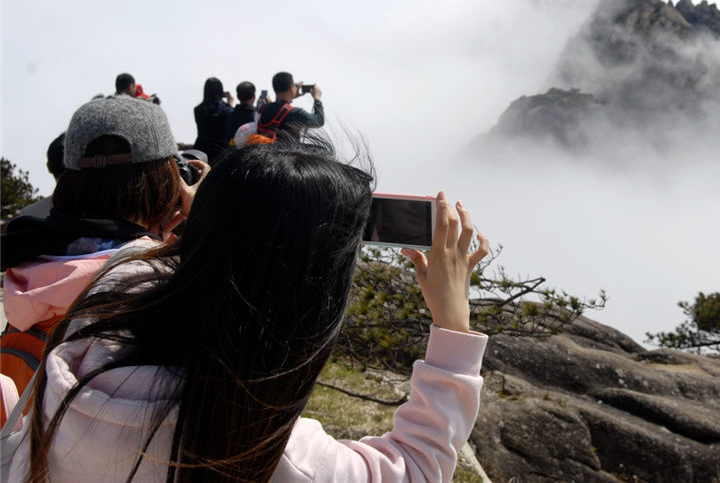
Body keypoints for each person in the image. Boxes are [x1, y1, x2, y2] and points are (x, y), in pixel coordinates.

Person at [8, 136, 489, 482]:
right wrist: (453, 325)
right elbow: (418, 467)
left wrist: (228, 213)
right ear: (309, 304)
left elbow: (152, 263)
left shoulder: (102, 305)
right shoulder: (272, 455)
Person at [1, 97, 207, 396]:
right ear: (165, 180)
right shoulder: (161, 284)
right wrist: (206, 218)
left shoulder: (28, 263)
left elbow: (98, 255)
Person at [257, 71, 324, 138]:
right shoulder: (296, 113)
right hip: (288, 148)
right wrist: (317, 99)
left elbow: (278, 107)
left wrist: (291, 95)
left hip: (262, 146)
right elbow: (319, 121)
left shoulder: (263, 109)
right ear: (291, 89)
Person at [192, 77, 234, 162]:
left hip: (201, 151)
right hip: (221, 152)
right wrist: (230, 105)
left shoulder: (198, 109)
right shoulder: (227, 110)